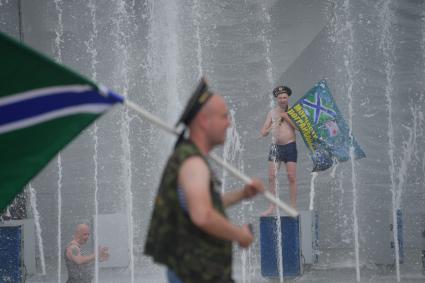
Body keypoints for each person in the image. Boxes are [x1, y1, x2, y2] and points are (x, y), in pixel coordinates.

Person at [144, 78, 265, 283]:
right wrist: (240, 235)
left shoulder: (188, 157)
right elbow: (202, 215)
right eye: (224, 116)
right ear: (204, 121)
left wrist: (242, 195)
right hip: (197, 273)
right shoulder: (193, 163)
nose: (229, 123)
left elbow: (198, 206)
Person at [260, 85, 298, 216]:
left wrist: (286, 117)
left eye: (284, 97)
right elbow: (263, 132)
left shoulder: (293, 111)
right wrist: (269, 128)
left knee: (291, 177)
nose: (282, 99)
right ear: (277, 99)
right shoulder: (272, 113)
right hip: (276, 147)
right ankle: (272, 206)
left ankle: (293, 207)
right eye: (280, 97)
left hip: (290, 146)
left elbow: (299, 128)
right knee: (271, 177)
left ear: (288, 98)